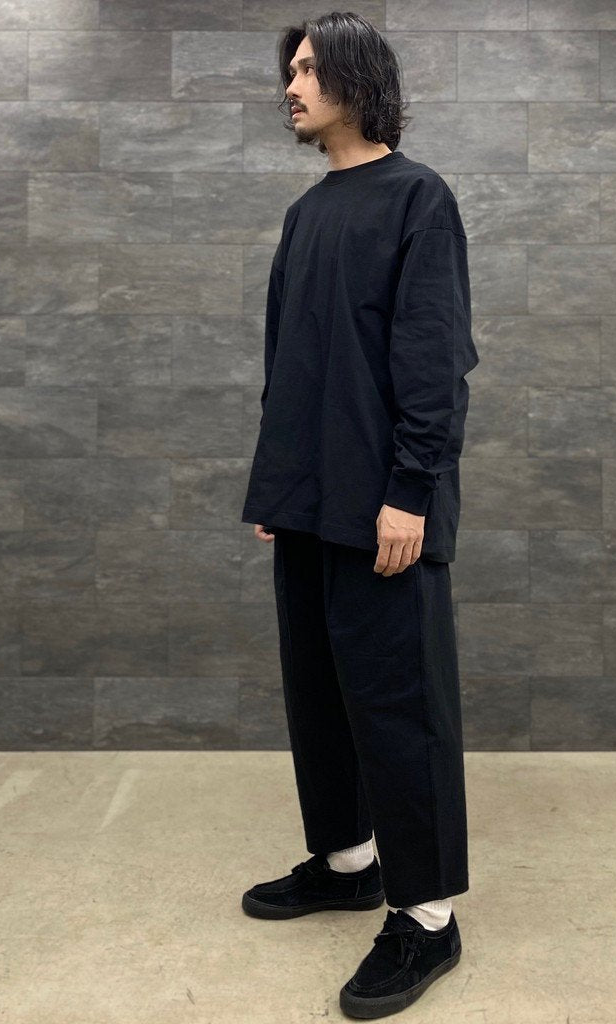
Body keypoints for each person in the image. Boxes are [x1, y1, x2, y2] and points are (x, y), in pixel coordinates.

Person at [239, 12, 478, 1017]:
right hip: (308, 498)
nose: (291, 87)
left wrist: (410, 491)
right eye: (289, 70)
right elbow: (289, 360)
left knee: (398, 703)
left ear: (355, 79)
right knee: (319, 690)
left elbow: (433, 358)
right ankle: (347, 863)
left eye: (307, 70)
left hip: (385, 504)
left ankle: (427, 915)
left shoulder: (418, 198)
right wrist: (277, 484)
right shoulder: (307, 213)